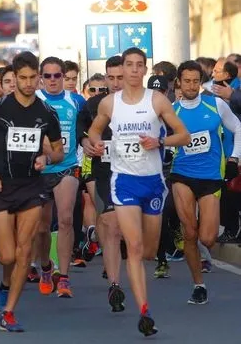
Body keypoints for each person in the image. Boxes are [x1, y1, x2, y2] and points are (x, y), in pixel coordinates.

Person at [86, 47, 190, 337]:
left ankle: (143, 282)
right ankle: (144, 311)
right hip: (124, 181)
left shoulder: (156, 100)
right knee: (132, 247)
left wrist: (160, 142)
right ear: (124, 67)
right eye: (128, 65)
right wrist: (94, 143)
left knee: (146, 251)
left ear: (145, 70)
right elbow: (94, 131)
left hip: (153, 182)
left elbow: (184, 135)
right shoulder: (110, 103)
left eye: (138, 65)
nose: (132, 70)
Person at [0, 51, 63, 332]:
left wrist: (46, 159)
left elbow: (59, 150)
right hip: (1, 185)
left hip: (31, 186)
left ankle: (9, 311)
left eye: (33, 77)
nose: (29, 83)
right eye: (23, 78)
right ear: (14, 78)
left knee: (23, 253)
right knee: (7, 255)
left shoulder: (47, 113)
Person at [170, 60, 241, 305]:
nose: (191, 86)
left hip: (210, 177)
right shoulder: (172, 110)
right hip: (181, 175)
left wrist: (234, 157)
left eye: (195, 81)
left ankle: (201, 242)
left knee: (207, 237)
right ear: (179, 82)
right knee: (189, 232)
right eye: (186, 81)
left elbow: (238, 128)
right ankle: (198, 285)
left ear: (201, 82)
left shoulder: (216, 104)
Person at [32, 57, 86, 298]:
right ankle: (45, 266)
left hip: (67, 166)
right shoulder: (35, 101)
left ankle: (63, 277)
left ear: (64, 76)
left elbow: (84, 131)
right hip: (40, 170)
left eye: (57, 75)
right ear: (41, 78)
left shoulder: (76, 101)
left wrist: (90, 144)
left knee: (65, 219)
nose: (52, 80)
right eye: (48, 76)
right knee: (41, 227)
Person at [79, 57, 127, 312]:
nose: (116, 83)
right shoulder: (95, 104)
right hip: (104, 173)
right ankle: (115, 285)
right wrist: (84, 142)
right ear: (106, 77)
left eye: (121, 77)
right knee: (112, 227)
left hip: (134, 174)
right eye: (112, 78)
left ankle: (96, 239)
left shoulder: (142, 103)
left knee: (137, 241)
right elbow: (81, 128)